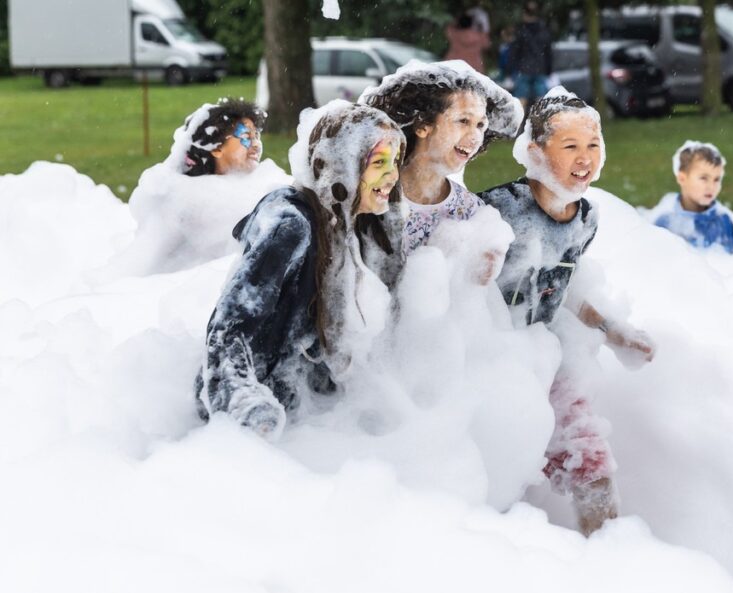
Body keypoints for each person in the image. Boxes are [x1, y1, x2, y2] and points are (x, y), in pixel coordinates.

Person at [479, 88, 656, 536]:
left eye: (593, 144)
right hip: (489, 360)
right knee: (498, 462)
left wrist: (612, 330)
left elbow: (565, 282)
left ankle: (609, 549)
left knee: (588, 455)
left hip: (545, 354)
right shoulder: (499, 211)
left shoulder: (584, 218)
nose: (585, 158)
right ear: (535, 153)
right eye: (570, 146)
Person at [195, 103, 407, 439]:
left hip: (308, 405)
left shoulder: (348, 222)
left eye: (394, 162)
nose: (393, 175)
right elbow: (229, 328)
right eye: (379, 162)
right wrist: (246, 402)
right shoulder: (291, 224)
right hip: (256, 415)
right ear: (339, 165)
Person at [359, 60, 522, 272]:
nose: (475, 137)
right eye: (463, 121)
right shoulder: (373, 196)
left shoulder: (472, 213)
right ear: (422, 125)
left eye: (481, 125)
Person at [100, 98, 289, 277]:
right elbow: (145, 260)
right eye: (246, 137)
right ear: (216, 147)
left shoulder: (267, 183)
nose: (256, 144)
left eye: (257, 136)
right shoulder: (186, 199)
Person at [647, 141, 733, 255]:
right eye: (704, 178)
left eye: (716, 179)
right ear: (682, 179)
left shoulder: (724, 221)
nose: (711, 186)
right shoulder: (666, 222)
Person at [506, 1, 553, 111]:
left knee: (520, 101)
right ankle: (541, 120)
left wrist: (510, 70)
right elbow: (548, 52)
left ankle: (519, 121)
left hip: (523, 70)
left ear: (524, 14)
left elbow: (514, 52)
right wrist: (549, 70)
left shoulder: (520, 31)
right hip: (540, 69)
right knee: (542, 102)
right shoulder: (544, 30)